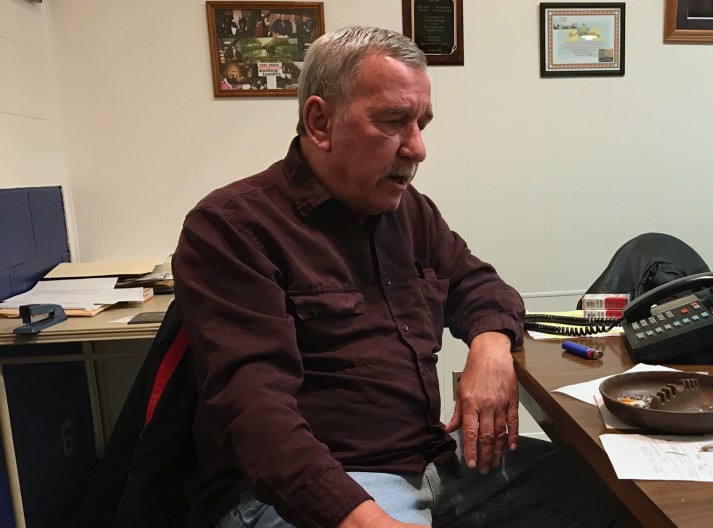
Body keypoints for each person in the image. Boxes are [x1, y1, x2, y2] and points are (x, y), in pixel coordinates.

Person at [174, 26, 616, 528]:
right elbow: (254, 415)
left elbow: (481, 287)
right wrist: (366, 521)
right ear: (320, 122)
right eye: (393, 121)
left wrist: (490, 349)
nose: (418, 148)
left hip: (432, 460)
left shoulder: (411, 213)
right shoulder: (233, 226)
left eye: (422, 123)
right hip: (321, 484)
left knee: (612, 496)